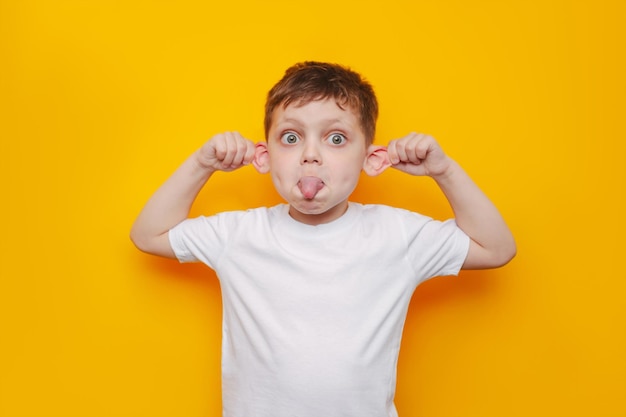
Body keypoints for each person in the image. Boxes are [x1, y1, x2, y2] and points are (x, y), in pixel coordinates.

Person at [130, 61, 516, 417]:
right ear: (263, 158)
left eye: (335, 139)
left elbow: (497, 248)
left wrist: (443, 171)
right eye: (291, 137)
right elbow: (148, 234)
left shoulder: (397, 235)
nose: (310, 155)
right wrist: (202, 164)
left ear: (371, 158)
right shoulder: (239, 234)